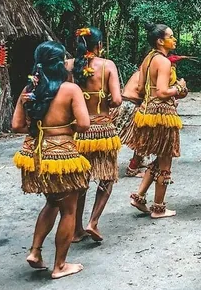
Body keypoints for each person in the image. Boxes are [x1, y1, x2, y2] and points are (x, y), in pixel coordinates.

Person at [12, 41, 91, 279]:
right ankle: (60, 266)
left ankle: (35, 252)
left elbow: (16, 125)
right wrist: (64, 128)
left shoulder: (29, 90)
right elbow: (85, 124)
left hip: (36, 156)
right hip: (63, 156)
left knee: (52, 202)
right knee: (69, 209)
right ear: (59, 63)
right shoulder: (70, 90)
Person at [66, 27, 122, 243]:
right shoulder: (107, 65)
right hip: (102, 130)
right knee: (107, 176)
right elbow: (116, 100)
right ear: (99, 46)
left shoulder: (68, 65)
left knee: (81, 181)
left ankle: (76, 229)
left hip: (77, 131)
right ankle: (93, 221)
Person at [128, 23, 188, 218]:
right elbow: (162, 92)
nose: (174, 39)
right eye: (171, 36)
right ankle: (158, 207)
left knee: (160, 158)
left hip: (148, 113)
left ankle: (139, 196)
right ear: (160, 41)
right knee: (166, 162)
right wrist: (179, 88)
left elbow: (139, 89)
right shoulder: (163, 62)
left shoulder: (148, 59)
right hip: (162, 115)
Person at [117, 70, 146, 178]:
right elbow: (143, 90)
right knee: (144, 136)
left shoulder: (141, 72)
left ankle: (139, 161)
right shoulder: (147, 73)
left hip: (126, 104)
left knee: (117, 136)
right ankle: (132, 168)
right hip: (129, 105)